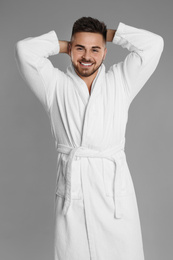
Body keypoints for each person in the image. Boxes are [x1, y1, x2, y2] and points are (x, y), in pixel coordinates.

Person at [14, 17, 164, 260]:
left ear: (105, 52)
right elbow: (24, 50)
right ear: (71, 49)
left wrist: (109, 34)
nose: (87, 56)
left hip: (114, 196)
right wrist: (65, 45)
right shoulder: (54, 86)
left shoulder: (121, 81)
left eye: (95, 49)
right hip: (74, 196)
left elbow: (154, 44)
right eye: (80, 48)